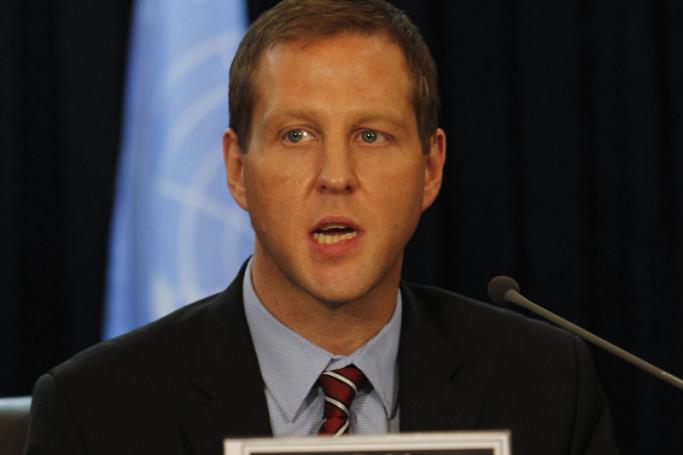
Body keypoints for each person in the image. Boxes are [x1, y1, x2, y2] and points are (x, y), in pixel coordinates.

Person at [24, 1, 619, 454]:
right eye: (297, 135)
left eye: (371, 135)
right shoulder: (95, 416)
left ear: (431, 168)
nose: (336, 176)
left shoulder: (547, 389)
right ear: (237, 169)